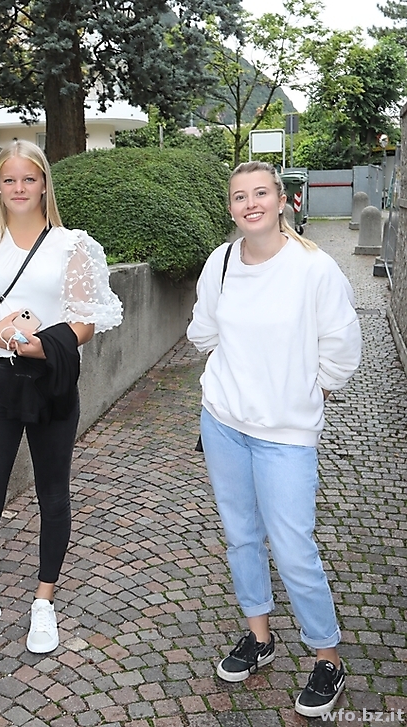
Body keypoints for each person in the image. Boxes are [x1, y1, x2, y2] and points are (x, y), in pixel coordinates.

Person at [0, 140, 122, 653]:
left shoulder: (72, 245)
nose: (19, 188)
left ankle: (44, 600)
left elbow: (85, 320)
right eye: (9, 180)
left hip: (49, 380)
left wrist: (45, 345)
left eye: (29, 179)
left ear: (43, 185)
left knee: (52, 493)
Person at [187, 161, 361, 718]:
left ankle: (327, 658)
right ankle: (259, 638)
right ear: (231, 207)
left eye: (261, 193)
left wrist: (308, 391)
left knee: (293, 547)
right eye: (240, 196)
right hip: (223, 423)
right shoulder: (219, 263)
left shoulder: (313, 268)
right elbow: (203, 331)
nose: (251, 204)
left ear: (282, 200)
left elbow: (341, 347)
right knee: (241, 536)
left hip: (286, 435)